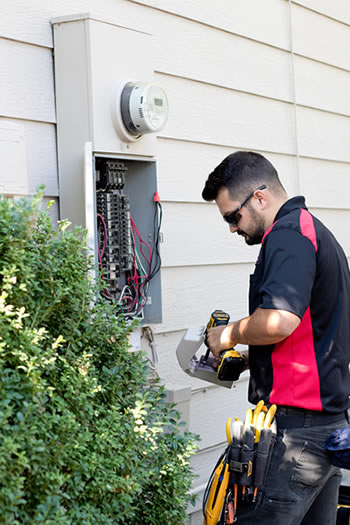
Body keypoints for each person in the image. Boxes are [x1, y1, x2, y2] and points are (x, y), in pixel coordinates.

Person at [202, 151, 350, 525]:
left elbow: (281, 319)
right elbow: (310, 331)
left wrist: (228, 335)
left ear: (260, 198)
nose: (233, 228)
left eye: (233, 217)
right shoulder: (312, 231)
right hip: (325, 431)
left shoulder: (287, 236)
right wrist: (253, 358)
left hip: (298, 439)